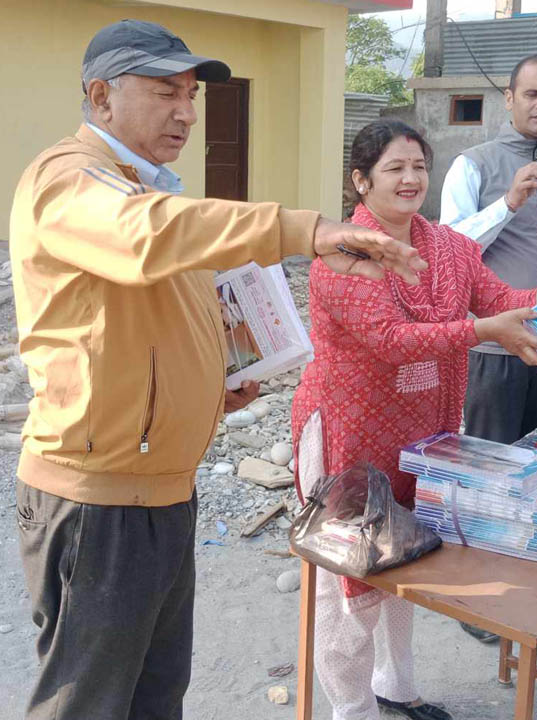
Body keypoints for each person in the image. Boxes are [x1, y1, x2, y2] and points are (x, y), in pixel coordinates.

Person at [9, 20, 424, 720]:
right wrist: (306, 231)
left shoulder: (142, 187)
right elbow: (150, 237)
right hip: (98, 501)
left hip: (163, 489)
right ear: (101, 96)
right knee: (88, 704)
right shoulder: (69, 180)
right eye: (165, 91)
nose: (186, 112)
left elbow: (145, 317)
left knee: (154, 695)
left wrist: (210, 387)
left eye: (192, 94)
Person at [292, 120, 537, 720]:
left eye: (419, 167)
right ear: (360, 180)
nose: (410, 179)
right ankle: (351, 709)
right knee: (347, 579)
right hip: (348, 435)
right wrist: (479, 332)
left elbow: (502, 300)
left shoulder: (449, 249)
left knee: (408, 557)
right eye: (394, 168)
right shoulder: (343, 256)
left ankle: (396, 688)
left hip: (418, 435)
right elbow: (389, 340)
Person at [440, 52, 537, 643]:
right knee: (489, 471)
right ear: (508, 98)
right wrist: (507, 204)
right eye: (531, 94)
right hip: (496, 348)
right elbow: (448, 250)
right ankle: (479, 600)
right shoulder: (472, 165)